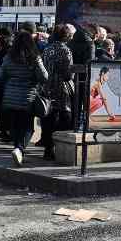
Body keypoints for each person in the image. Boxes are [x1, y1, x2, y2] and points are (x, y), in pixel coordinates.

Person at [0, 31, 48, 166]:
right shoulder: (34, 58)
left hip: (10, 96)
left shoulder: (8, 57)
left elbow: (0, 77)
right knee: (28, 127)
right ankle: (19, 149)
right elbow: (44, 77)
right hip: (27, 97)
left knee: (15, 125)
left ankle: (17, 149)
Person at [41, 24, 75, 161]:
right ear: (66, 36)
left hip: (47, 87)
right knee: (64, 119)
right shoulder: (65, 50)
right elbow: (68, 75)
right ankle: (60, 148)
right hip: (61, 88)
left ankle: (48, 149)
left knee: (48, 119)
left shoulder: (47, 49)